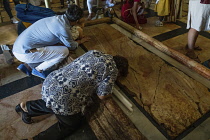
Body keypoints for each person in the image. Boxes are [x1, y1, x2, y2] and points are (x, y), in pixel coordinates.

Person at [15, 50, 129, 140]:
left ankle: (26, 107)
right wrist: (109, 92)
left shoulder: (95, 52)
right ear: (120, 70)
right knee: (71, 124)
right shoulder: (113, 70)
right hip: (63, 97)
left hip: (51, 82)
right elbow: (102, 95)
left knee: (53, 102)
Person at [12, 5, 90, 79]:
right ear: (77, 21)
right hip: (24, 53)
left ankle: (27, 66)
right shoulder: (63, 28)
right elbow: (71, 46)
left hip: (17, 47)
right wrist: (81, 41)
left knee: (52, 47)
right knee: (64, 51)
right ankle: (39, 70)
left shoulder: (56, 18)